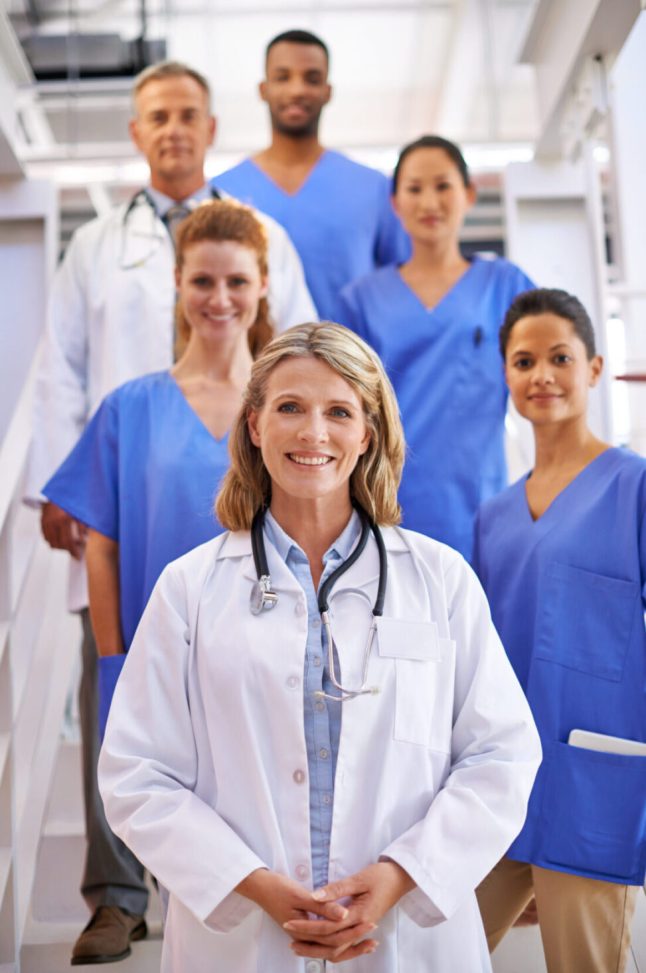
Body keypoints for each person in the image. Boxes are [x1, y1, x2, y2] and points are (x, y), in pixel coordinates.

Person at [98, 322, 541, 972]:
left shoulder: (439, 580)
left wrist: (399, 874)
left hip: (402, 937)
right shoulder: (189, 588)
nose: (313, 433)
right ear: (254, 425)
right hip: (247, 937)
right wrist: (255, 885)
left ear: (367, 432)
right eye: (289, 408)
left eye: (339, 411)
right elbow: (137, 774)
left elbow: (500, 754)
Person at [24, 59, 314, 964]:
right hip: (128, 489)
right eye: (157, 116)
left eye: (189, 112)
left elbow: (302, 345)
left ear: (211, 124)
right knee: (115, 694)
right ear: (137, 132)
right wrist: (57, 487)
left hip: (234, 501)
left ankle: (247, 876)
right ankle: (117, 897)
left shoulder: (263, 234)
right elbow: (60, 364)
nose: (174, 128)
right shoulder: (93, 246)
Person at [42, 199, 272, 964]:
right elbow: (100, 544)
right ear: (177, 282)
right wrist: (113, 657)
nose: (219, 298)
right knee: (145, 784)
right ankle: (117, 902)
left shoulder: (281, 407)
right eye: (202, 279)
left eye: (236, 280)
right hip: (151, 637)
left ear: (262, 284)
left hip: (257, 640)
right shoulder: (129, 406)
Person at [473, 289, 645, 973]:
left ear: (595, 367)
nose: (541, 373)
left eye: (559, 357)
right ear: (506, 375)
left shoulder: (633, 486)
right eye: (523, 360)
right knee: (429, 947)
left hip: (591, 774)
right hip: (498, 774)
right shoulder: (494, 516)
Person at [339, 135, 534, 559]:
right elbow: (345, 409)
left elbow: (544, 381)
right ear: (395, 203)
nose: (429, 201)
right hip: (387, 503)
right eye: (414, 188)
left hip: (482, 503)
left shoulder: (504, 286)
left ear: (468, 195)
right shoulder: (361, 300)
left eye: (443, 186)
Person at [214, 30, 410, 321]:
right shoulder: (222, 193)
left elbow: (402, 288)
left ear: (328, 91)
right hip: (254, 364)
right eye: (283, 77)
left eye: (312, 78)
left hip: (350, 361)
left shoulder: (374, 189)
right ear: (263, 89)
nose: (297, 90)